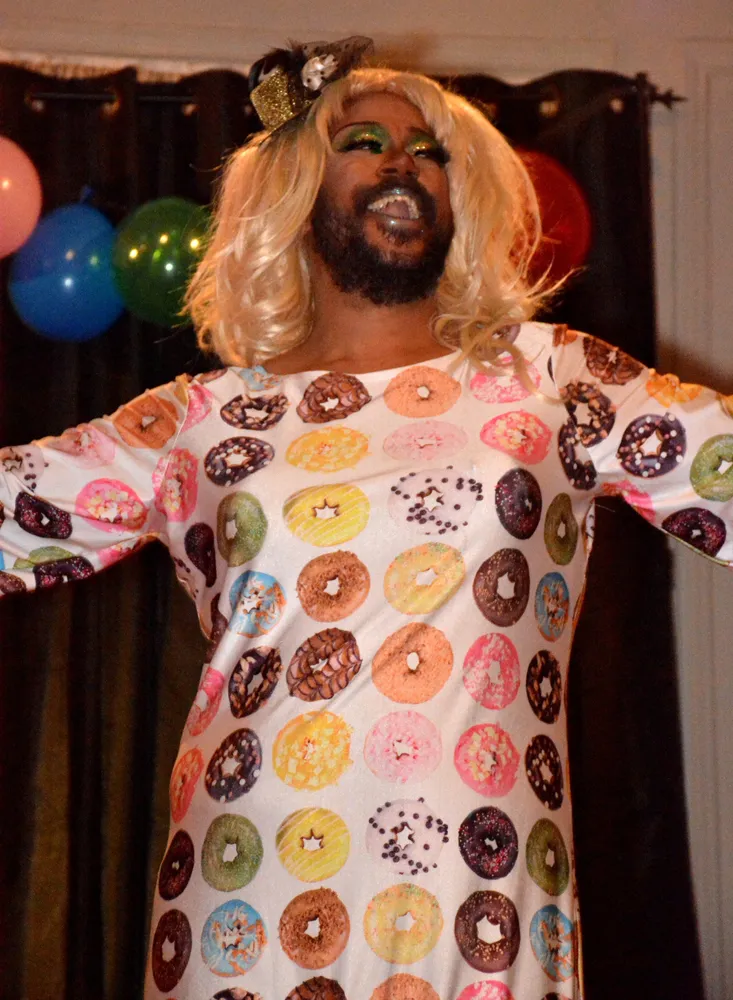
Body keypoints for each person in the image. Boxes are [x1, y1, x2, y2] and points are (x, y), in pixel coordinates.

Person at [1, 39, 731, 1000]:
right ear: (296, 188)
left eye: (428, 151)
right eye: (365, 142)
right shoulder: (201, 420)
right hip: (244, 900)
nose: (402, 162)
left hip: (482, 907)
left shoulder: (556, 380)